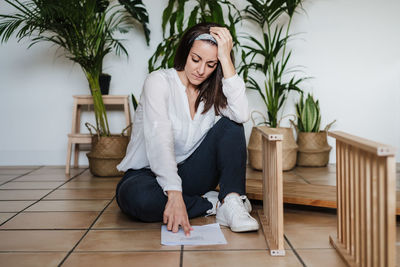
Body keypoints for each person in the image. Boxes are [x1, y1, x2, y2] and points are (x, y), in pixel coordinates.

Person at [115, 22, 259, 237]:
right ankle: (212, 205)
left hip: (192, 174)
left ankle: (231, 199)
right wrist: (173, 194)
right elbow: (159, 139)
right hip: (149, 173)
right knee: (137, 198)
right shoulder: (159, 82)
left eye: (211, 64)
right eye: (196, 59)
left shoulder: (214, 92)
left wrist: (226, 59)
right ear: (185, 53)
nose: (201, 71)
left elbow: (241, 114)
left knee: (231, 124)